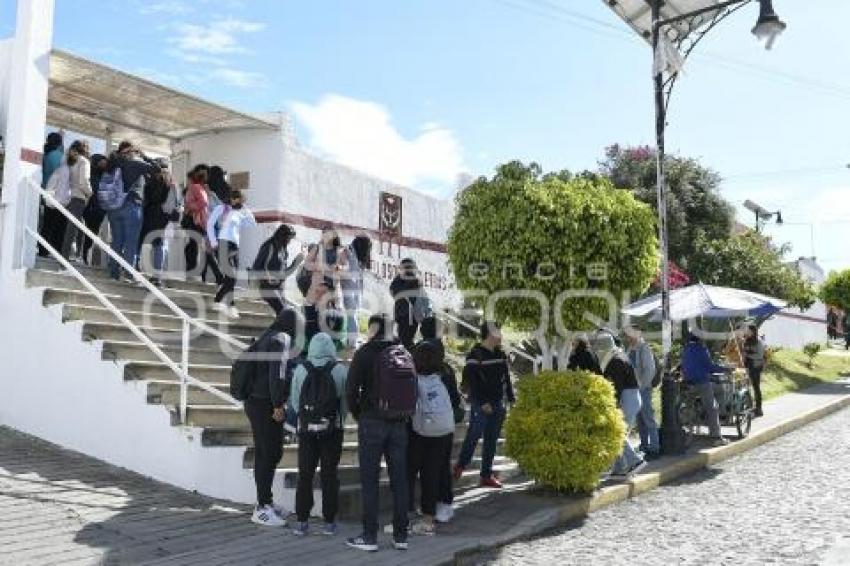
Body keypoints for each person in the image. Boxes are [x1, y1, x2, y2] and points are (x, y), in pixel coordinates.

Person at [345, 314, 413, 552]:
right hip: (400, 423)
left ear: (373, 328)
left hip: (372, 421)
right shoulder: (404, 352)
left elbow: (350, 390)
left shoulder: (365, 352)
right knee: (400, 481)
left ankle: (370, 536)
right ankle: (401, 535)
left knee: (370, 480)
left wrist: (358, 413)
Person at [288, 332, 349, 537]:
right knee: (329, 475)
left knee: (305, 474)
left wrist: (307, 418)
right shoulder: (340, 370)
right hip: (332, 431)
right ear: (331, 347)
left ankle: (303, 521)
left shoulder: (300, 370)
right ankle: (329, 522)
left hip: (306, 431)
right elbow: (345, 403)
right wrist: (338, 420)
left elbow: (295, 402)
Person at [244, 309, 297, 527]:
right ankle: (262, 507)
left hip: (255, 402)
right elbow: (278, 374)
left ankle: (266, 501)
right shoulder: (281, 339)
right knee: (270, 453)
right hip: (266, 404)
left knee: (267, 452)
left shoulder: (268, 335)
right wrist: (278, 405)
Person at [454, 321, 514, 489]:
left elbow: (506, 379)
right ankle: (460, 465)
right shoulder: (475, 354)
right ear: (490, 334)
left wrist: (511, 398)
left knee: (491, 440)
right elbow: (471, 382)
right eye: (498, 332)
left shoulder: (500, 354)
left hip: (498, 403)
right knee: (473, 435)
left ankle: (486, 475)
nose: (501, 336)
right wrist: (481, 403)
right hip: (481, 405)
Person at [416, 316, 462, 524]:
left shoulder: (415, 358)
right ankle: (444, 504)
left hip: (421, 425)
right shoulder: (445, 369)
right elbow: (454, 398)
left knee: (428, 468)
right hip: (444, 424)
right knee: (442, 465)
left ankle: (429, 509)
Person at [594, 332, 647, 478]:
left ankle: (635, 461)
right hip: (632, 397)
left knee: (616, 433)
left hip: (627, 398)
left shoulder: (614, 361)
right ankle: (619, 468)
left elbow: (616, 387)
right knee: (619, 433)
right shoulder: (619, 355)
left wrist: (611, 406)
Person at [106, 142, 159, 281]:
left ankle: (113, 272)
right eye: (134, 151)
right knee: (131, 241)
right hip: (131, 206)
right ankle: (129, 273)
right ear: (130, 151)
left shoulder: (112, 165)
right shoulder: (135, 163)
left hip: (113, 209)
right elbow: (157, 168)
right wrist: (144, 156)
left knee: (117, 241)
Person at [207, 189, 256, 318]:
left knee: (232, 278)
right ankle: (226, 303)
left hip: (235, 246)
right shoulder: (222, 208)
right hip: (223, 243)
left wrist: (246, 209)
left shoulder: (241, 212)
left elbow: (252, 224)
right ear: (230, 198)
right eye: (233, 198)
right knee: (231, 276)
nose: (235, 201)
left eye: (238, 199)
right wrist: (213, 242)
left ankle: (223, 302)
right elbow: (210, 224)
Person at [681, 333, 730, 446]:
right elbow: (710, 367)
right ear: (700, 339)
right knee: (713, 406)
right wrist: (724, 369)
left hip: (688, 383)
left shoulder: (686, 349)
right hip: (701, 382)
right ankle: (716, 436)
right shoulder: (702, 349)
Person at [624, 326, 660, 459]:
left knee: (648, 418)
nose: (627, 338)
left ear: (635, 335)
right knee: (640, 420)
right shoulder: (630, 348)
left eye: (628, 335)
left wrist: (643, 386)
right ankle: (644, 446)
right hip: (634, 389)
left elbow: (650, 370)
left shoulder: (643, 348)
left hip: (643, 389)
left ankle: (655, 448)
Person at [182, 165, 222, 284]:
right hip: (202, 222)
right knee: (201, 249)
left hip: (197, 222)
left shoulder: (195, 187)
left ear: (192, 179)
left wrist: (190, 207)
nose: (187, 181)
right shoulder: (200, 188)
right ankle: (217, 275)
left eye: (188, 179)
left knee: (197, 249)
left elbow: (203, 203)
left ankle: (216, 275)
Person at [252, 224, 303, 315]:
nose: (290, 241)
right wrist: (267, 277)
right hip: (266, 287)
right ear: (283, 236)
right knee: (284, 312)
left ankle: (277, 328)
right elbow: (256, 267)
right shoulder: (268, 246)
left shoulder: (284, 250)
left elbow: (283, 274)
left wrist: (295, 263)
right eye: (289, 238)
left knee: (285, 313)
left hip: (279, 288)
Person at [139, 160, 175, 286]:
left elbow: (146, 199)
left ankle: (134, 270)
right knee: (159, 245)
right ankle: (157, 276)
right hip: (163, 218)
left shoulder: (150, 182)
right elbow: (173, 204)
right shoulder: (170, 184)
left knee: (140, 242)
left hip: (149, 215)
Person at [59, 140, 91, 260]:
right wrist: (90, 193)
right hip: (78, 198)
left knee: (78, 225)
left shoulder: (69, 161)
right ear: (84, 149)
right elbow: (83, 183)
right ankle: (65, 259)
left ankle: (75, 255)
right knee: (72, 229)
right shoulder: (84, 162)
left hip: (68, 197)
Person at [390, 258, 431, 350]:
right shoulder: (412, 280)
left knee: (405, 341)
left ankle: (407, 359)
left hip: (407, 316)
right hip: (409, 316)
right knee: (406, 340)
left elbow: (395, 292)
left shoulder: (410, 281)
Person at [339, 235, 372, 348]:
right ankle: (352, 341)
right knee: (353, 316)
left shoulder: (349, 251)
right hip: (356, 289)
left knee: (351, 316)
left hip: (348, 287)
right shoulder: (360, 256)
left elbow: (344, 267)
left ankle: (351, 342)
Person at [78, 154, 109, 266]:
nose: (104, 165)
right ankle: (80, 255)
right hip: (88, 209)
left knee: (91, 235)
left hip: (98, 211)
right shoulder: (90, 175)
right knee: (85, 233)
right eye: (102, 162)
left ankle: (85, 256)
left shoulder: (104, 176)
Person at [38, 132, 65, 258]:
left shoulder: (45, 154)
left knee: (47, 223)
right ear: (59, 143)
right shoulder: (59, 156)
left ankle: (43, 249)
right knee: (58, 224)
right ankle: (56, 250)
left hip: (45, 191)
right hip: (57, 193)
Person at [743, 324, 766, 418]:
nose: (746, 332)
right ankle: (751, 406)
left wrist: (747, 355)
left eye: (748, 331)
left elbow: (759, 356)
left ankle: (759, 408)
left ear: (753, 331)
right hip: (748, 366)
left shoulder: (759, 341)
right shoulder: (747, 340)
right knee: (747, 387)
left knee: (756, 387)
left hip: (756, 366)